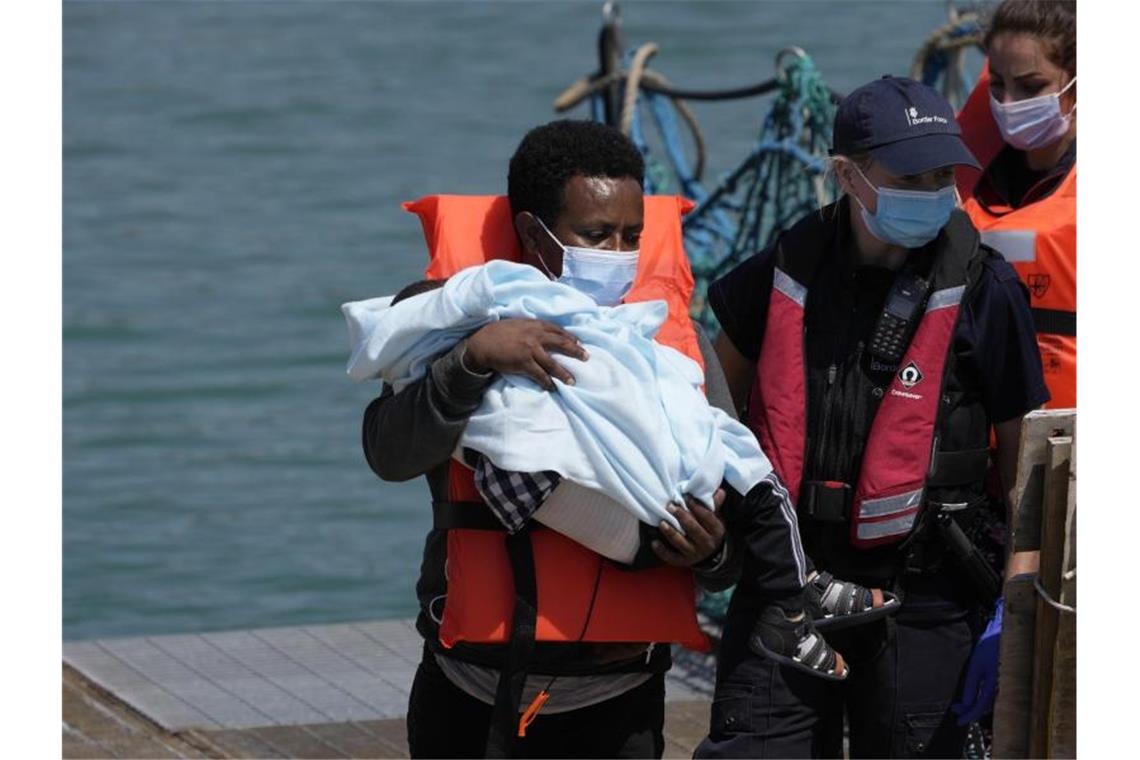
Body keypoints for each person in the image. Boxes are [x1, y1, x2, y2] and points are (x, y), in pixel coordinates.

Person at [360, 120, 854, 759]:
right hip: (469, 693)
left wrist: (710, 554)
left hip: (619, 703)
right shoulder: (455, 323)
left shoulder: (672, 349)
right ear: (535, 232)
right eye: (596, 236)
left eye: (631, 237)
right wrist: (474, 359)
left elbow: (730, 546)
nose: (618, 253)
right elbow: (387, 453)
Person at [694, 76, 1049, 758]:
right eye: (910, 174)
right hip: (789, 583)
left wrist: (1016, 597)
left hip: (927, 597)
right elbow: (709, 397)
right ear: (847, 176)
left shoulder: (987, 290)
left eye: (944, 173)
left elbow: (1023, 459)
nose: (931, 190)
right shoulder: (781, 271)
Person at [956, 0, 1076, 408]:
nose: (1009, 103)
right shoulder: (960, 180)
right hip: (977, 427)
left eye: (1030, 86)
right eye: (997, 86)